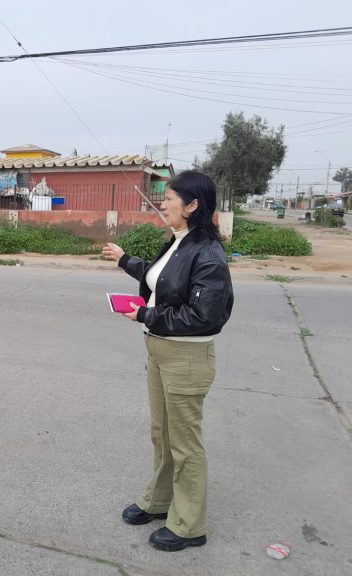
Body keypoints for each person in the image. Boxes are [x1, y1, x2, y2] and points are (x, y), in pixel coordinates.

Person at [101, 170, 234, 552]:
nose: (162, 204)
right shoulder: (179, 241)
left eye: (169, 199)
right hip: (159, 350)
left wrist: (146, 316)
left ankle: (190, 525)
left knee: (185, 443)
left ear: (192, 206)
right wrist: (125, 260)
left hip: (186, 357)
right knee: (162, 434)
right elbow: (164, 281)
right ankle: (160, 502)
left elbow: (204, 316)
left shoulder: (209, 254)